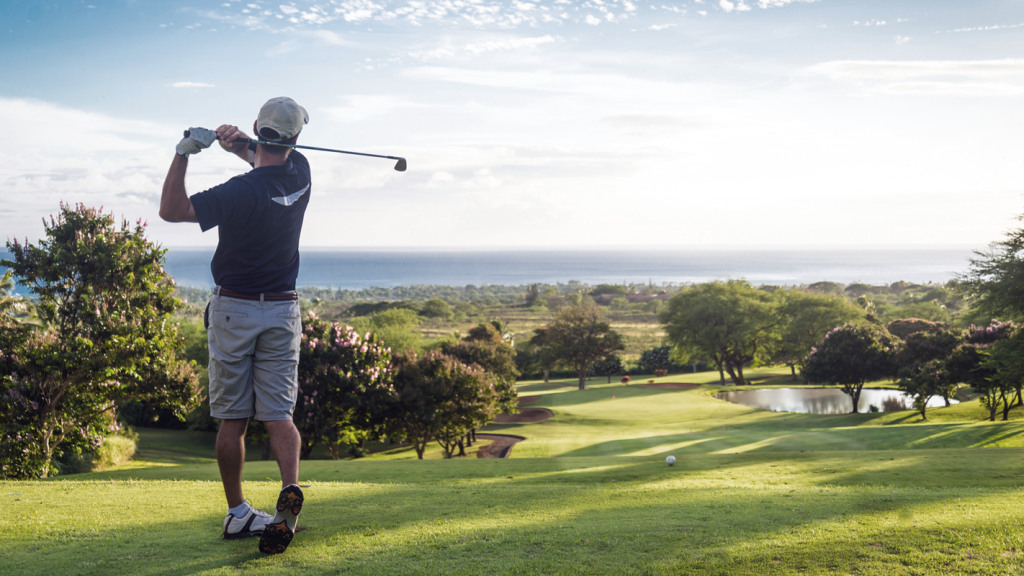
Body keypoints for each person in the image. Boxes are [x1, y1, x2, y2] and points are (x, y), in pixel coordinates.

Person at [159, 97, 311, 555]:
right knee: (279, 415)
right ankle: (289, 495)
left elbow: (172, 210)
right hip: (283, 310)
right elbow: (264, 156)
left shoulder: (237, 193)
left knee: (234, 418)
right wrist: (238, 145)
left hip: (235, 310)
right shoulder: (302, 172)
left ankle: (238, 514)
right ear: (297, 138)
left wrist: (184, 151)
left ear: (256, 127)